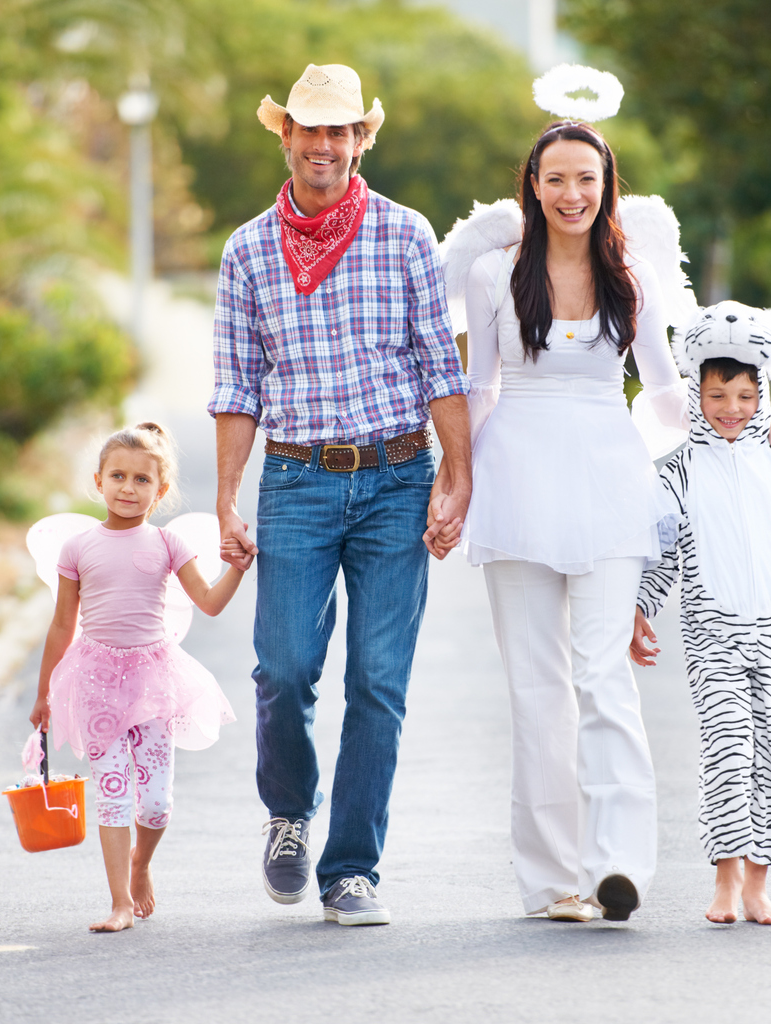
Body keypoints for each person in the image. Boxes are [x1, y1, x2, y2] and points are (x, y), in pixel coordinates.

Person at [440, 120, 771, 923]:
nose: (571, 195)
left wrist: (760, 424)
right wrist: (457, 481)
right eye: (555, 180)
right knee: (538, 688)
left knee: (604, 677)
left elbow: (671, 392)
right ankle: (553, 882)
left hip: (609, 483)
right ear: (531, 187)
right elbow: (478, 387)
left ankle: (617, 865)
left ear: (607, 186)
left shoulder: (631, 276)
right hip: (515, 483)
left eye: (586, 179)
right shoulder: (494, 275)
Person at [210, 63, 471, 927]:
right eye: (309, 130)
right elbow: (237, 384)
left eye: (340, 131)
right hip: (295, 479)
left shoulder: (404, 235)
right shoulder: (246, 249)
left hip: (398, 476)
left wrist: (455, 475)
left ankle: (351, 867)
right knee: (282, 668)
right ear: (284, 136)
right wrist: (225, 498)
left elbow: (441, 363)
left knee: (379, 680)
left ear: (362, 139)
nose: (324, 146)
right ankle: (289, 811)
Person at [630, 301, 771, 926]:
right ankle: (725, 882)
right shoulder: (678, 470)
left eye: (742, 395)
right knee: (728, 755)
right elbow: (663, 552)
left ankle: (760, 886)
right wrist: (641, 608)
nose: (730, 408)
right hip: (714, 635)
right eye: (715, 395)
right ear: (696, 395)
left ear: (763, 394)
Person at [29, 423, 242, 932]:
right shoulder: (77, 548)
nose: (128, 488)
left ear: (161, 490)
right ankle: (119, 902)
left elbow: (209, 604)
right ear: (99, 481)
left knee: (156, 803)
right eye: (118, 476)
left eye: (142, 480)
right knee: (113, 791)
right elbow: (63, 623)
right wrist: (44, 693)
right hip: (96, 679)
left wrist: (237, 566)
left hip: (153, 682)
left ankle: (141, 863)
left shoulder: (168, 544)